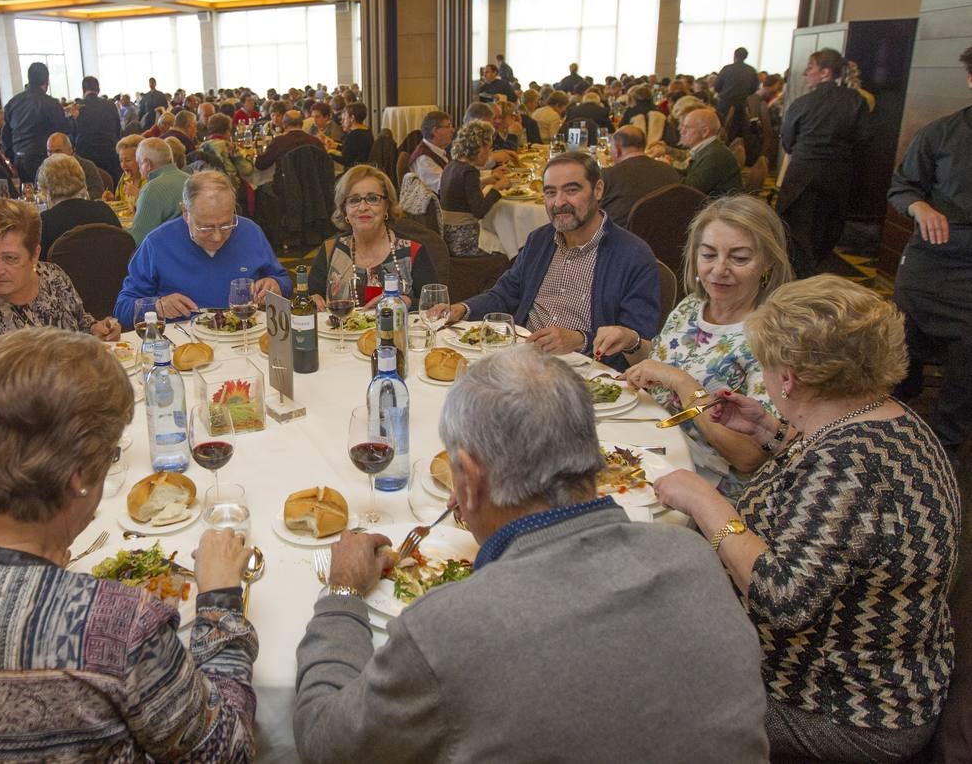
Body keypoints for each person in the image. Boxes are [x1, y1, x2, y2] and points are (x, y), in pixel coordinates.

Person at [293, 346, 769, 763]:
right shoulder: (692, 558)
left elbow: (324, 742)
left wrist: (342, 592)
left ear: (470, 480)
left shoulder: (447, 630)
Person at [0, 328, 258, 760]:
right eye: (110, 453)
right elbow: (228, 752)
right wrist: (220, 602)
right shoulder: (118, 626)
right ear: (77, 476)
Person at [655, 276, 961, 763]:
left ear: (789, 379)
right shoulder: (886, 417)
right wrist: (770, 432)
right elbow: (827, 507)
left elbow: (783, 600)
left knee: (638, 681)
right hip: (883, 674)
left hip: (843, 710)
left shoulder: (850, 466)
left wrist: (703, 501)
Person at [610, 195, 793, 494]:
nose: (719, 269)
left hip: (710, 485)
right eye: (708, 255)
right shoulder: (692, 305)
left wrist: (684, 386)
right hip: (652, 450)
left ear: (768, 262)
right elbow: (662, 367)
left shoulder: (773, 336)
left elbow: (749, 457)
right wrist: (632, 343)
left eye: (739, 258)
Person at [438, 152, 660, 361]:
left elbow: (636, 343)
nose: (559, 202)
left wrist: (580, 340)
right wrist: (462, 309)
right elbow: (504, 294)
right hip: (524, 359)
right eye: (550, 192)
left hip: (588, 373)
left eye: (571, 190)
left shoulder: (633, 256)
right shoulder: (540, 240)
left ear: (598, 190)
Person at [890, 44, 972, 459]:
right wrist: (920, 207)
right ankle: (896, 403)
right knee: (903, 337)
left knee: (967, 358)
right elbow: (902, 188)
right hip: (932, 256)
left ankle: (944, 444)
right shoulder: (941, 133)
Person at [0, 199, 119, 380]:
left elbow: (80, 325)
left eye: (9, 258)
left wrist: (96, 330)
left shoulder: (54, 278)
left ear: (35, 255)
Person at [114, 171, 292, 324]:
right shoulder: (157, 243)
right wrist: (158, 307)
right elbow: (123, 307)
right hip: (183, 345)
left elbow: (284, 281)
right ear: (185, 213)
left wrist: (276, 285)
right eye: (205, 228)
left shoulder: (250, 232)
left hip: (244, 337)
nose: (217, 237)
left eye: (226, 225)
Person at [777, 48, 871, 276]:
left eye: (810, 68)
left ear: (825, 72)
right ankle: (816, 278)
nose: (805, 74)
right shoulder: (856, 101)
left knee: (795, 233)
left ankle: (794, 279)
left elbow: (787, 139)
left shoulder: (803, 103)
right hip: (838, 176)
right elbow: (863, 139)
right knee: (826, 232)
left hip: (802, 175)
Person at [308, 165, 439, 309]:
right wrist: (312, 301)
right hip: (340, 332)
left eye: (372, 198)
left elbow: (435, 305)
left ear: (387, 206)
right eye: (354, 200)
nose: (363, 207)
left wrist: (407, 302)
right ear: (344, 209)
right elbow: (312, 298)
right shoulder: (330, 250)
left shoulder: (413, 252)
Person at [438, 120, 513, 256]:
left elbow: (461, 192)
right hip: (463, 239)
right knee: (507, 249)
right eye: (488, 149)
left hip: (448, 233)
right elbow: (480, 211)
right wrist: (496, 188)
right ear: (479, 148)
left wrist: (487, 181)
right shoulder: (470, 172)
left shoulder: (452, 165)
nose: (490, 154)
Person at [598, 125, 681, 228]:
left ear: (618, 149)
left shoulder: (608, 175)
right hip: (663, 236)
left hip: (619, 240)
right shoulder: (670, 171)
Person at [37, 153, 119, 256]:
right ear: (81, 179)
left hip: (63, 272)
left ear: (46, 188)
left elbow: (39, 264)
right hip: (109, 271)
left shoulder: (45, 222)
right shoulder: (105, 211)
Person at [2, 62, 69, 184]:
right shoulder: (52, 104)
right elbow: (62, 132)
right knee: (46, 192)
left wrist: (12, 157)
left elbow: (5, 135)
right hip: (42, 157)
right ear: (47, 81)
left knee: (27, 194)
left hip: (19, 158)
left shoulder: (13, 103)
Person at [127, 137, 188, 244]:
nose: (140, 170)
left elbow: (138, 238)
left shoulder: (151, 189)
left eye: (139, 164)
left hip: (164, 253)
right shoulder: (191, 180)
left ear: (147, 164)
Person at [678, 108, 742, 198]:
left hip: (720, 209)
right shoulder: (709, 148)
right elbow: (690, 174)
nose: (682, 131)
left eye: (687, 128)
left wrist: (665, 172)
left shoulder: (714, 155)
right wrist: (666, 167)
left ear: (705, 132)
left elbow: (689, 190)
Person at [70, 75, 123, 185]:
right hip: (109, 153)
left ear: (83, 90)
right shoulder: (110, 105)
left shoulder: (78, 107)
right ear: (98, 90)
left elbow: (72, 134)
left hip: (85, 155)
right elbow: (118, 130)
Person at [255, 109, 323, 172]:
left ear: (284, 124)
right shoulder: (315, 141)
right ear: (302, 124)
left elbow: (261, 165)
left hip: (285, 183)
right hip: (312, 183)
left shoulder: (279, 142)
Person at [716, 47, 759, 142]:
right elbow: (754, 89)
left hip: (724, 105)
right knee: (738, 133)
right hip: (741, 105)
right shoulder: (751, 70)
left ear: (734, 55)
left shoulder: (727, 69)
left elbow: (717, 86)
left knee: (720, 130)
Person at [46, 130, 106, 198]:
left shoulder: (87, 167)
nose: (53, 156)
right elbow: (39, 194)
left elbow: (98, 192)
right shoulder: (44, 170)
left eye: (58, 151)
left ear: (70, 150)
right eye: (49, 152)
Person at [409, 111, 453, 193]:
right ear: (435, 131)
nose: (452, 130)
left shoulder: (436, 150)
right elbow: (443, 188)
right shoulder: (424, 159)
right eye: (448, 126)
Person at [110, 133, 144, 206]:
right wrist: (112, 200)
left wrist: (139, 195)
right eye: (121, 161)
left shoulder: (151, 181)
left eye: (127, 160)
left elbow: (157, 209)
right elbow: (120, 204)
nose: (123, 165)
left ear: (140, 159)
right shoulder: (124, 178)